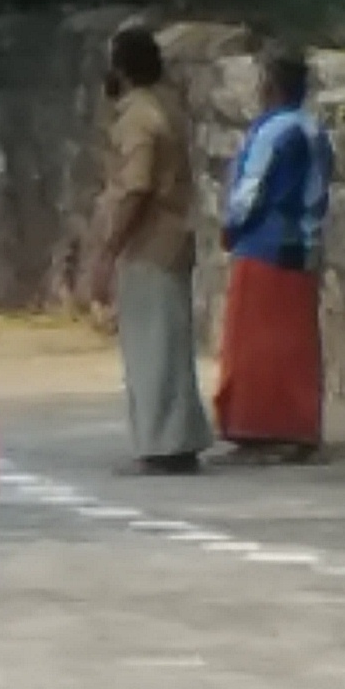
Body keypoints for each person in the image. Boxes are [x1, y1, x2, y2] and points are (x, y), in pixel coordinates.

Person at [90, 25, 215, 474]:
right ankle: (176, 436)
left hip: (149, 242)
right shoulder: (167, 107)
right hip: (171, 237)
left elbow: (137, 187)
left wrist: (108, 249)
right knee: (169, 342)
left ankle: (164, 443)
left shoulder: (139, 116)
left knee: (152, 346)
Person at [215, 49, 331, 461]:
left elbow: (252, 187)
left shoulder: (271, 132)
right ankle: (298, 425)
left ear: (272, 85)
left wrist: (231, 224)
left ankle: (259, 426)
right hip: (300, 246)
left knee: (255, 344)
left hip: (263, 244)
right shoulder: (314, 131)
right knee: (294, 341)